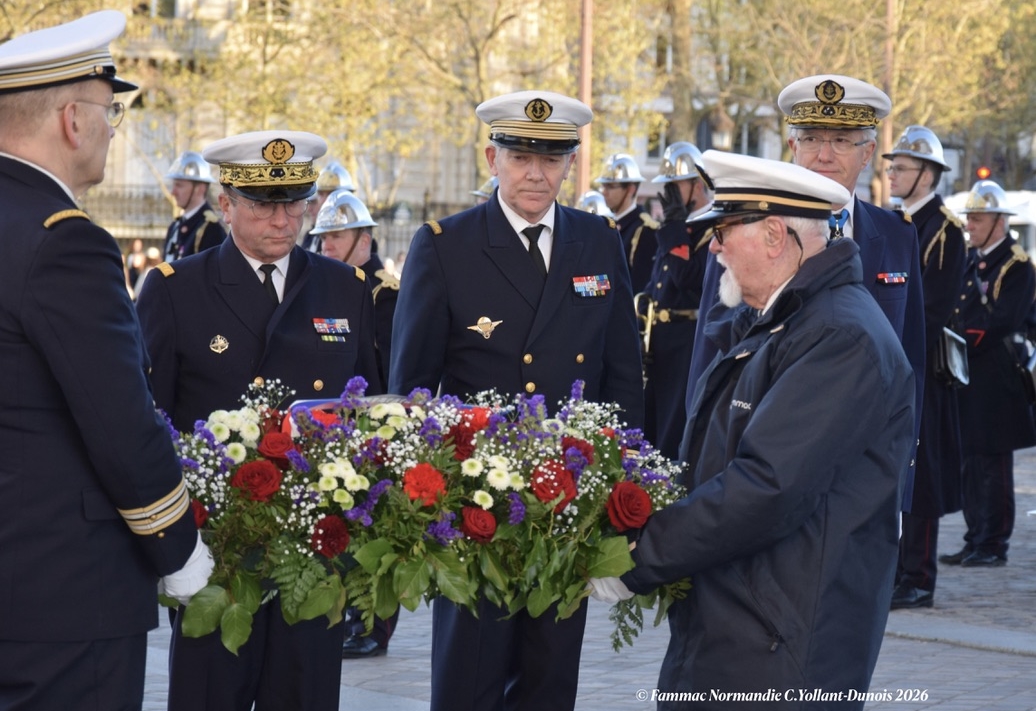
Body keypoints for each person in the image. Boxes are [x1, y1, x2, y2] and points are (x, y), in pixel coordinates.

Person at [591, 150, 916, 708]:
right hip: (747, 621)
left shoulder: (839, 337)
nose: (713, 248)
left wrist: (637, 557)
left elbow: (767, 487)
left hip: (780, 637)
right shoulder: (789, 320)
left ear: (773, 235)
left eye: (723, 230)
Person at [390, 89, 643, 711]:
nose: (537, 173)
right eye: (521, 156)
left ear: (571, 165)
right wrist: (426, 494)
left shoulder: (598, 240)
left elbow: (623, 374)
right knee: (470, 675)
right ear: (491, 157)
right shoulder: (446, 244)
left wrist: (621, 481)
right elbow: (415, 388)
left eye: (552, 158)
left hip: (568, 498)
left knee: (550, 675)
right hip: (479, 500)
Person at [0, 11, 210, 709]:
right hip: (61, 595)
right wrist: (180, 551)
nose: (113, 130)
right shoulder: (66, 241)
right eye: (109, 110)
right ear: (72, 120)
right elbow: (120, 421)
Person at [136, 130, 382, 711]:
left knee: (305, 693)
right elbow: (155, 420)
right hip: (220, 548)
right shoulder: (177, 289)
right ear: (226, 205)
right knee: (211, 693)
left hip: (317, 547)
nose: (283, 219)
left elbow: (367, 407)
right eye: (264, 205)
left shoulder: (342, 288)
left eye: (294, 203)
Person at [686, 75, 925, 511]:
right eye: (811, 138)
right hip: (764, 466)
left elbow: (912, 360)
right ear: (792, 148)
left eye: (842, 140)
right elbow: (710, 357)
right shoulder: (743, 233)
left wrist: (902, 479)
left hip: (866, 472)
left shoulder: (897, 235)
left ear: (868, 152)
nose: (824, 154)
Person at [310, 188, 402, 659]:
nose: (325, 244)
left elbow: (391, 369)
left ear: (364, 239)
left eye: (336, 235)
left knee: (376, 529)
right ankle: (347, 615)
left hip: (376, 424)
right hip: (332, 424)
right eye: (322, 236)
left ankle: (374, 624)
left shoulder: (383, 293)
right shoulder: (326, 284)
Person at [883, 126, 968, 608]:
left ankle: (919, 576)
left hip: (921, 368)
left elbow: (932, 310)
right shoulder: (896, 224)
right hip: (893, 364)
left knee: (924, 472)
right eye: (891, 167)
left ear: (928, 174)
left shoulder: (946, 231)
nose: (892, 174)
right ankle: (897, 569)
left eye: (902, 168)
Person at [939, 179, 1036, 568]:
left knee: (992, 465)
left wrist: (958, 340)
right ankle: (974, 535)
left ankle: (994, 542)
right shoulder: (971, 258)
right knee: (969, 461)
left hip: (998, 375)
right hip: (970, 372)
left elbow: (1003, 321)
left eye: (976, 219)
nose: (969, 226)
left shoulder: (1016, 265)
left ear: (998, 221)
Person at [641, 141, 713, 458]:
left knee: (672, 429)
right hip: (659, 339)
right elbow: (658, 281)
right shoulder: (678, 227)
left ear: (697, 184)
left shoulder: (710, 226)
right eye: (666, 185)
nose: (668, 192)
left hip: (687, 341)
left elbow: (687, 277)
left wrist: (672, 224)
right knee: (650, 423)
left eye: (675, 184)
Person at [597, 152, 656, 291]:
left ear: (630, 189)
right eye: (603, 186)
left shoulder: (644, 230)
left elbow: (638, 285)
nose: (604, 192)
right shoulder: (605, 225)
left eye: (610, 187)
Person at [162, 150, 226, 261]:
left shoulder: (211, 229)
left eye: (179, 185)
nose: (173, 192)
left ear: (200, 188)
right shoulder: (175, 226)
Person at [301, 160, 355, 252]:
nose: (325, 201)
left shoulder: (356, 235)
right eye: (321, 194)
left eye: (332, 194)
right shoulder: (310, 236)